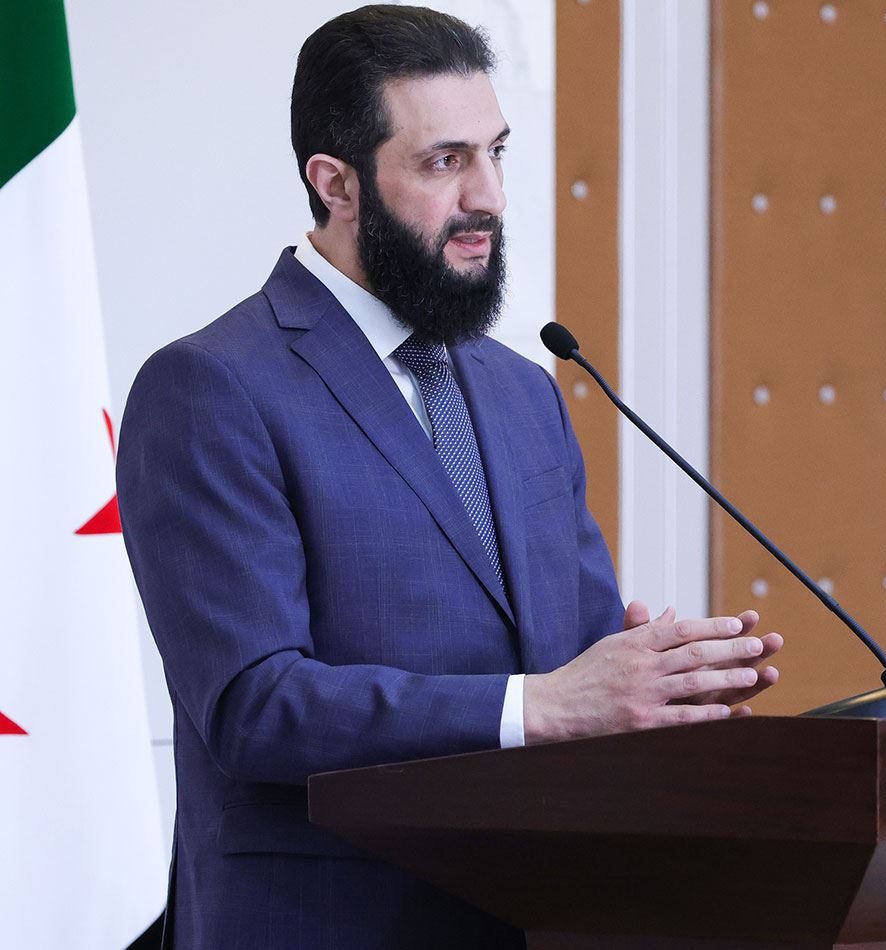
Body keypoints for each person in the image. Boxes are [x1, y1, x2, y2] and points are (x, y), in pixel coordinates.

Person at [115, 6, 782, 947]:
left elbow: (573, 668)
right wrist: (545, 706)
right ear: (336, 184)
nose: (490, 196)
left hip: (538, 919)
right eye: (445, 162)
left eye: (496, 153)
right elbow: (254, 706)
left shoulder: (525, 390)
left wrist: (647, 687)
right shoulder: (211, 387)